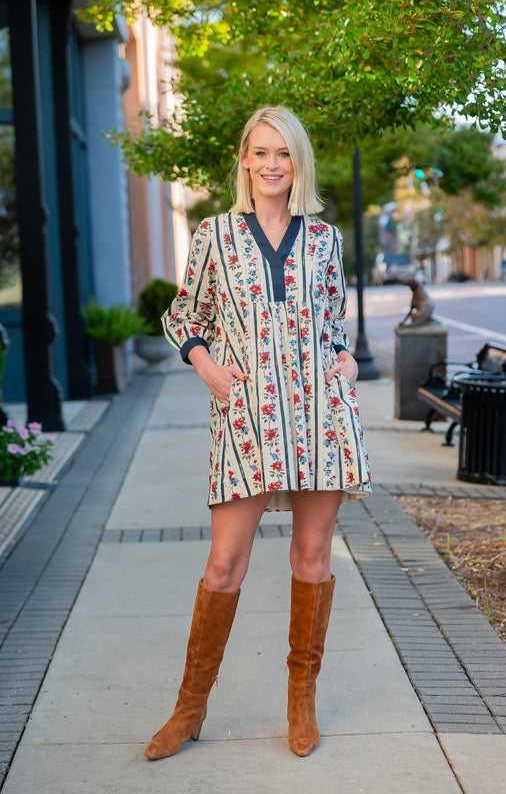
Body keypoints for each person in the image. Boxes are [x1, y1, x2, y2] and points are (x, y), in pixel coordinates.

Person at [146, 105, 371, 761]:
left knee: (311, 559)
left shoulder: (325, 240)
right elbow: (183, 313)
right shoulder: (214, 235)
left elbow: (332, 325)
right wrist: (206, 366)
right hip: (243, 415)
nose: (273, 165)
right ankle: (188, 709)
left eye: (285, 154)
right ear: (244, 159)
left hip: (318, 419)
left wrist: (348, 359)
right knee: (223, 565)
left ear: (297, 163)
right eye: (261, 152)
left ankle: (300, 704)